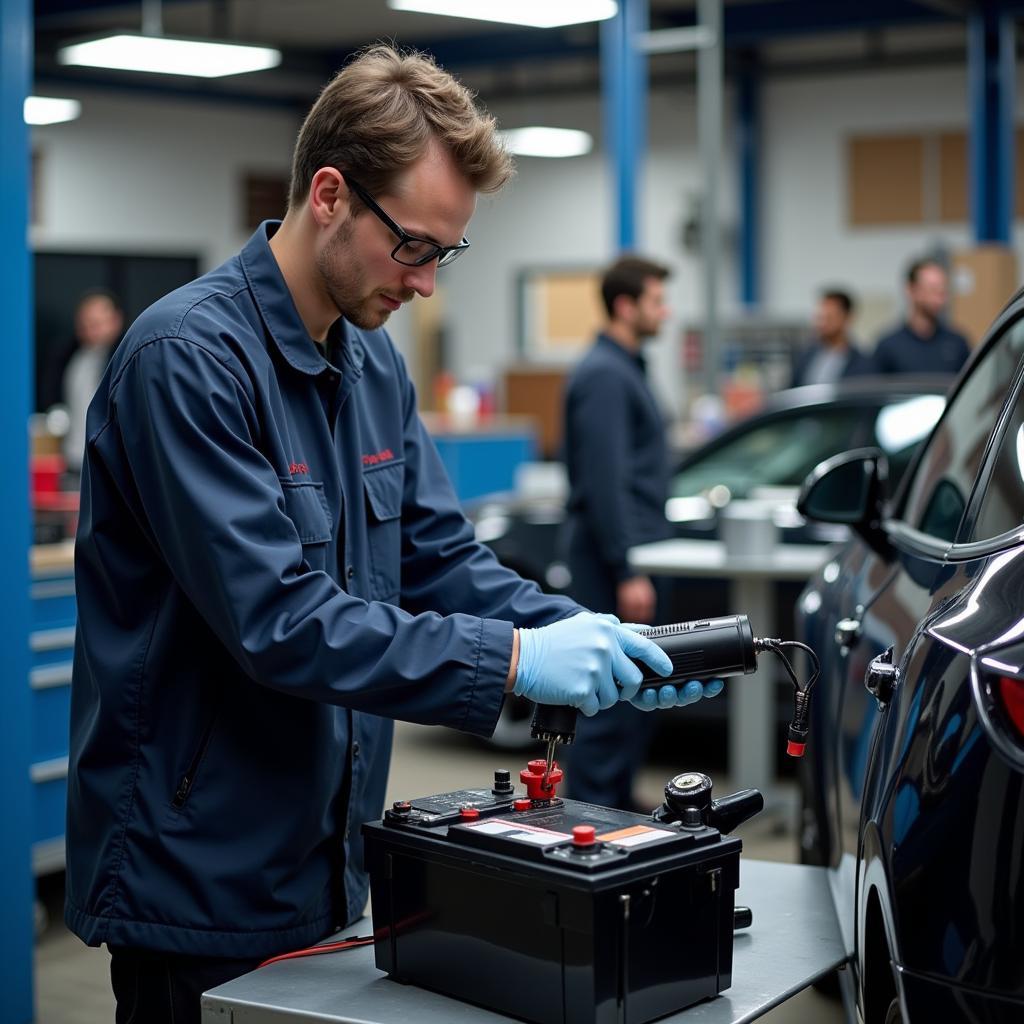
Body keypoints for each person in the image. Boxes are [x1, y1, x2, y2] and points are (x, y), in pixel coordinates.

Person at [65, 46, 721, 1024]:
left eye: (443, 255)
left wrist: (591, 634)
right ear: (328, 194)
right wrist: (512, 660)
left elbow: (441, 558)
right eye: (415, 246)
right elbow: (278, 618)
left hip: (329, 863)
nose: (424, 285)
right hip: (194, 880)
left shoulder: (371, 366)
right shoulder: (186, 361)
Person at [561, 256, 718, 811]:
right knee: (609, 696)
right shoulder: (605, 374)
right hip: (615, 561)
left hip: (637, 551)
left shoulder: (627, 366)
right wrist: (627, 567)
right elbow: (605, 481)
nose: (666, 311)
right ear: (626, 306)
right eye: (657, 301)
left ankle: (617, 800)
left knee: (636, 690)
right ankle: (594, 816)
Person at [57, 290, 125, 473]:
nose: (89, 331)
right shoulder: (72, 356)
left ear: (115, 321)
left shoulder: (123, 359)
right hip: (73, 458)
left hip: (107, 462)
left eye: (96, 324)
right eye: (83, 325)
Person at [873, 258, 971, 375]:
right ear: (911, 290)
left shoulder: (957, 344)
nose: (939, 298)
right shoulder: (888, 347)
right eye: (932, 289)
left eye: (943, 291)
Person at [790, 289, 872, 387]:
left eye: (829, 318)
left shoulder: (863, 364)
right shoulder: (805, 356)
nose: (822, 324)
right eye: (820, 318)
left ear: (847, 318)